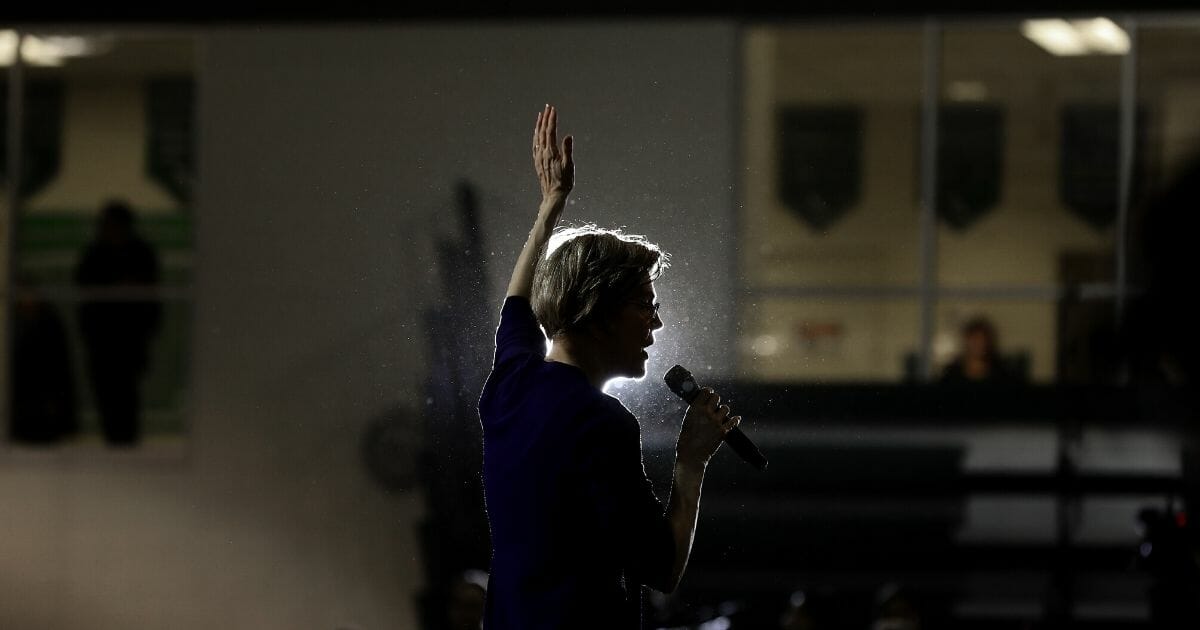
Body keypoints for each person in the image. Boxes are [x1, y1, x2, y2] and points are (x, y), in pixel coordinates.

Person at [477, 104, 739, 629]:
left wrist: (551, 206)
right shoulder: (600, 423)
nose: (656, 325)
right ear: (598, 311)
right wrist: (692, 463)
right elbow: (661, 568)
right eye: (645, 305)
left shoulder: (509, 387)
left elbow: (517, 301)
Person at [75, 199, 163, 446]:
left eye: (114, 225)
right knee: (108, 401)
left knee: (126, 401)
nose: (110, 231)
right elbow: (84, 288)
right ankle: (115, 445)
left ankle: (126, 446)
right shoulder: (95, 255)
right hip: (102, 343)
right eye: (107, 225)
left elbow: (151, 298)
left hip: (129, 343)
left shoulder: (140, 254)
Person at [939, 315, 1022, 385]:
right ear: (966, 341)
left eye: (983, 340)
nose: (980, 345)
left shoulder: (1003, 377)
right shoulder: (951, 377)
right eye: (975, 340)